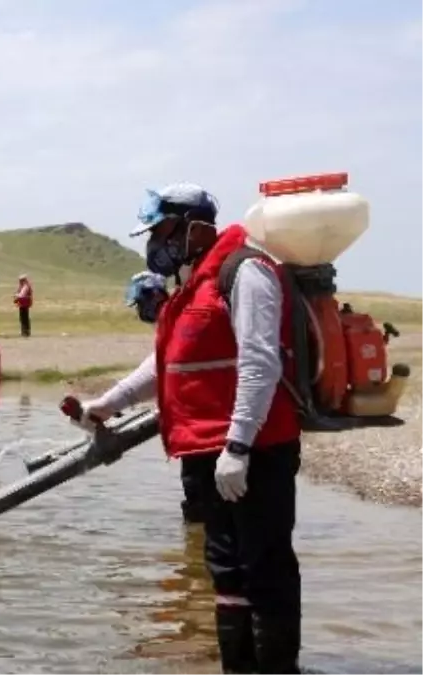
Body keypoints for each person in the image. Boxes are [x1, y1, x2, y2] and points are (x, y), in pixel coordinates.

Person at [81, 183, 303, 674]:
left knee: (265, 570)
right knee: (225, 572)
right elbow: (167, 364)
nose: (155, 243)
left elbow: (261, 364)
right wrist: (108, 403)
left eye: (162, 231)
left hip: (256, 451)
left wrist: (240, 444)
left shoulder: (245, 272)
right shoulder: (193, 285)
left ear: (196, 227)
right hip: (208, 454)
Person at [124, 271, 206, 526]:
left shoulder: (178, 321)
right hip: (194, 427)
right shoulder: (172, 321)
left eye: (140, 304)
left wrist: (107, 404)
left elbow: (156, 372)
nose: (140, 311)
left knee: (203, 505)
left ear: (155, 296)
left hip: (203, 431)